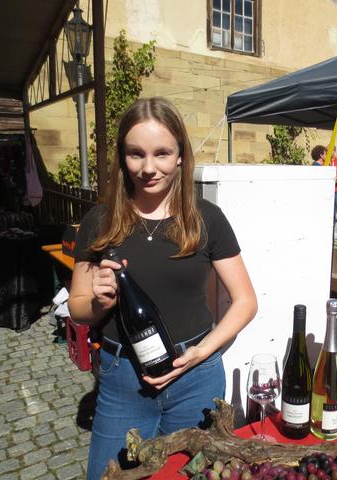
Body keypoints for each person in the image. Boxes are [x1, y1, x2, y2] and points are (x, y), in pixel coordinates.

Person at [68, 97, 258, 479]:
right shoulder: (99, 221)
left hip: (196, 378)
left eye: (162, 153)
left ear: (181, 156)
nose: (148, 168)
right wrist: (100, 302)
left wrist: (203, 352)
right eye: (136, 154)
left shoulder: (206, 219)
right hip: (124, 380)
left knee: (193, 474)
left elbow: (245, 302)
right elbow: (77, 308)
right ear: (122, 156)